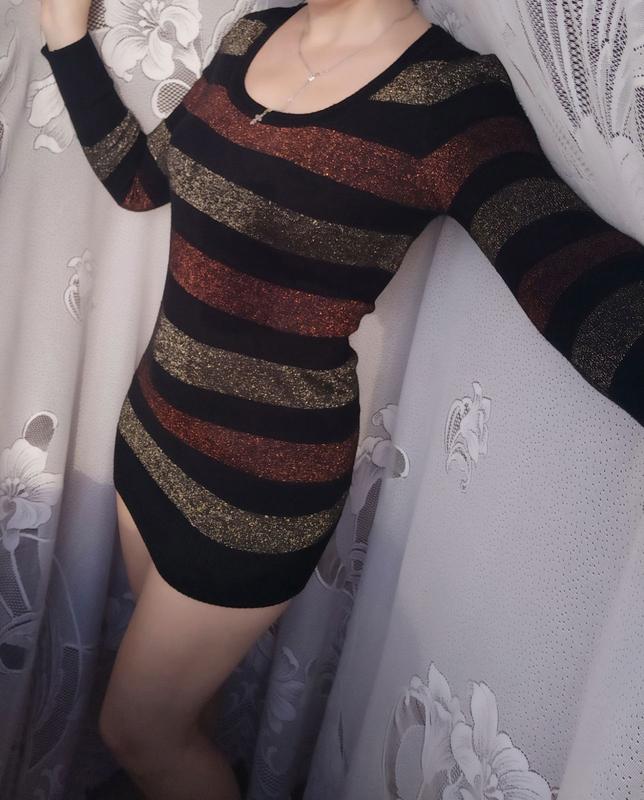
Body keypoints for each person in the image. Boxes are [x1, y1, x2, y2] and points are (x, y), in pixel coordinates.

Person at [38, 0, 643, 798]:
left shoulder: (447, 98)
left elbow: (574, 279)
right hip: (150, 437)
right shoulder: (252, 33)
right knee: (182, 724)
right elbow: (145, 184)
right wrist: (66, 40)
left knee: (137, 731)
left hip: (255, 501)